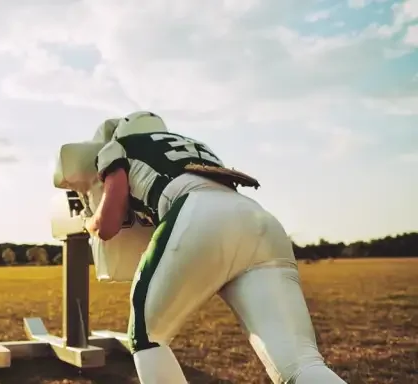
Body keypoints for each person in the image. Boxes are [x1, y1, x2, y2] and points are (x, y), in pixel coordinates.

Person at [82, 111, 346, 384]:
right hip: (260, 221)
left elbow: (108, 225)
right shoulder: (195, 146)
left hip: (199, 213)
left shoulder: (120, 146)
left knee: (147, 336)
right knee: (300, 363)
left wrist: (88, 221)